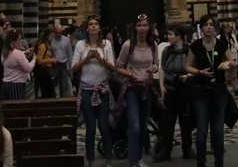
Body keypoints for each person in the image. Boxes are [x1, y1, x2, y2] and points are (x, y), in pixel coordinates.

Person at [185, 15, 234, 167]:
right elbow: (187, 66)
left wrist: (227, 63)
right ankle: (201, 163)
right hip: (201, 92)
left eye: (211, 24)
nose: (209, 27)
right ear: (201, 28)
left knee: (218, 131)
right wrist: (199, 72)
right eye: (206, 24)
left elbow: (232, 61)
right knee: (201, 132)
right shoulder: (195, 46)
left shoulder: (221, 44)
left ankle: (219, 163)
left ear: (215, 27)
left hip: (218, 91)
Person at [117, 14, 160, 167]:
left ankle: (139, 157)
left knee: (142, 126)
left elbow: (156, 64)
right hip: (131, 89)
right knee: (134, 125)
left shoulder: (153, 45)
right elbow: (118, 67)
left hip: (146, 89)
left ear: (149, 28)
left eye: (145, 25)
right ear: (135, 27)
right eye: (139, 25)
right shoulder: (128, 45)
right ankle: (133, 161)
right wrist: (131, 74)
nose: (142, 28)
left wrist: (154, 68)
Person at [72, 14, 115, 167]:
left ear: (99, 27)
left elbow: (112, 67)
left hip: (102, 89)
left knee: (103, 125)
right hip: (86, 89)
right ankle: (91, 160)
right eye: (91, 24)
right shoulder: (80, 45)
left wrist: (100, 59)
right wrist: (87, 58)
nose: (93, 26)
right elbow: (74, 67)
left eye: (96, 23)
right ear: (87, 28)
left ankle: (109, 159)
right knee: (90, 127)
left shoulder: (107, 44)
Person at [155, 24, 193, 162]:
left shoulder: (188, 50)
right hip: (170, 88)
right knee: (168, 122)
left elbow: (193, 67)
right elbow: (162, 69)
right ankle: (166, 150)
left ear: (179, 36)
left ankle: (187, 149)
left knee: (185, 121)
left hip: (185, 88)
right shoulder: (167, 50)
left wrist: (188, 76)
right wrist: (161, 86)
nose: (169, 37)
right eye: (168, 34)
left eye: (171, 34)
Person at [1, 28, 36, 100]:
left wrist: (24, 53)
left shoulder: (5, 52)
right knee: (17, 107)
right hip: (16, 85)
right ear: (13, 42)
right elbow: (28, 68)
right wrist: (34, 59)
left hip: (6, 84)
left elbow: (12, 59)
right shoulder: (18, 53)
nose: (21, 42)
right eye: (19, 40)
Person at [52, 22, 74, 96]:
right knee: (53, 84)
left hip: (63, 64)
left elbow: (70, 54)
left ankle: (62, 99)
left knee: (63, 84)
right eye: (57, 33)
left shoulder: (66, 40)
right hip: (54, 65)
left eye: (60, 33)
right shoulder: (51, 40)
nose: (59, 34)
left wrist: (69, 66)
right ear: (54, 32)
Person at [35, 28, 55, 99]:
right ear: (47, 36)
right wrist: (51, 60)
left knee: (51, 93)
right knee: (47, 93)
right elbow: (39, 61)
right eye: (51, 36)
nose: (52, 37)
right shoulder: (42, 46)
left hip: (49, 70)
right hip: (44, 72)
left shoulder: (49, 46)